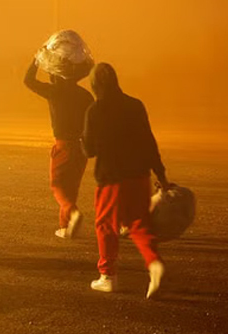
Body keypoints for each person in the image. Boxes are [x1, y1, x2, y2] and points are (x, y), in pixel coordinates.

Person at [82, 63, 171, 299]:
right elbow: (149, 142)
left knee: (106, 226)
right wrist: (161, 175)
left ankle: (108, 276)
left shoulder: (95, 110)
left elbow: (89, 150)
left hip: (112, 179)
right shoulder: (135, 105)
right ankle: (154, 263)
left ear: (95, 85)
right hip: (140, 176)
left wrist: (82, 137)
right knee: (138, 224)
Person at [24, 55, 94, 239]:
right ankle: (65, 227)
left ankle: (72, 212)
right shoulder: (86, 95)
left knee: (58, 185)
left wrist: (36, 60)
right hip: (82, 147)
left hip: (64, 145)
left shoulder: (54, 91)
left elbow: (28, 81)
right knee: (71, 187)